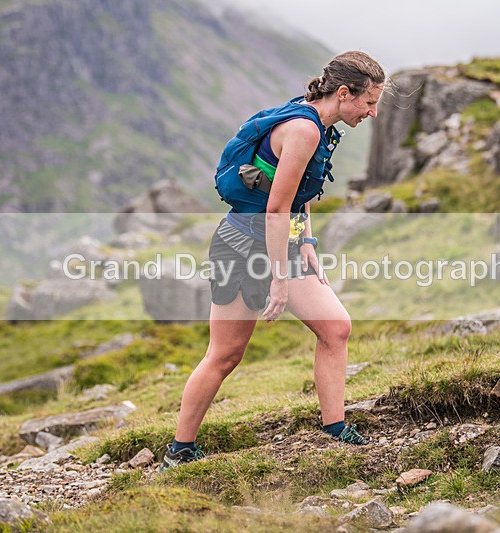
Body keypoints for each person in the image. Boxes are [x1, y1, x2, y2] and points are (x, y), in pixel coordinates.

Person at [160, 51, 386, 470]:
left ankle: (335, 429)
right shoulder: (303, 130)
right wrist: (279, 280)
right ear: (343, 93)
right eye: (369, 102)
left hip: (278, 244)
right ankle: (179, 450)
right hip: (243, 247)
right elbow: (276, 209)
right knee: (225, 355)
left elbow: (297, 194)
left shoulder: (317, 121)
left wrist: (307, 242)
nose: (372, 113)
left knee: (336, 328)